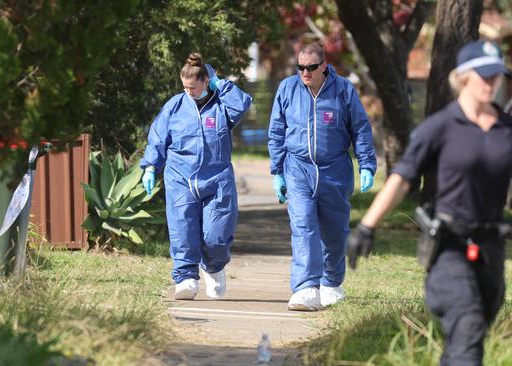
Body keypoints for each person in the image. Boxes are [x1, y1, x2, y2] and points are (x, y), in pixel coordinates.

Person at [348, 40, 512, 365]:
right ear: (463, 77)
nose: (492, 83)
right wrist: (368, 225)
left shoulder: (509, 130)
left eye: (497, 76)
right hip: (449, 249)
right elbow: (403, 178)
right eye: (485, 75)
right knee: (466, 325)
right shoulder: (439, 128)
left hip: (491, 250)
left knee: (468, 339)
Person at [268, 43, 377, 311]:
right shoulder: (287, 89)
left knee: (334, 232)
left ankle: (330, 283)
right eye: (301, 67)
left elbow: (361, 129)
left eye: (311, 67)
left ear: (324, 66)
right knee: (304, 226)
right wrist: (278, 171)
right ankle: (305, 288)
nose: (305, 72)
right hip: (298, 169)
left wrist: (366, 165)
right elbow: (277, 131)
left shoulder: (343, 91)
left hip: (335, 170)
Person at [140, 53, 252, 300]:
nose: (188, 91)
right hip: (180, 178)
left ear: (205, 81)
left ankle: (214, 267)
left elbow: (242, 103)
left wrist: (220, 84)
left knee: (217, 237)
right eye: (184, 86)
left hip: (217, 179)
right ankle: (186, 279)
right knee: (183, 230)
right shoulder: (175, 106)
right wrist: (150, 167)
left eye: (193, 86)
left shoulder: (222, 106)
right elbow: (158, 138)